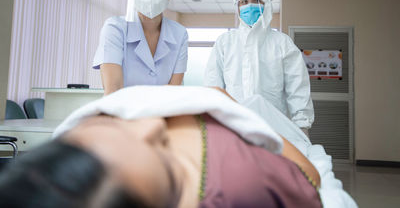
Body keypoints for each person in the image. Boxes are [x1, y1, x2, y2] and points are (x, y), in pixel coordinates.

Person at [0, 86, 321, 208]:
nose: (153, 124)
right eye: (170, 162)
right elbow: (309, 178)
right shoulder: (243, 185)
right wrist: (222, 101)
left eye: (109, 122)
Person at [204, 0, 314, 133]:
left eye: (256, 0)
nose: (249, 5)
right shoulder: (225, 42)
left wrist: (302, 124)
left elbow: (297, 87)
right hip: (233, 124)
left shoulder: (282, 42)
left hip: (274, 125)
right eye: (243, 1)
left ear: (266, 4)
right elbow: (213, 85)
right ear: (237, 7)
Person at [93, 0, 188, 95]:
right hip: (122, 113)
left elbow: (173, 93)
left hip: (163, 113)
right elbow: (113, 92)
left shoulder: (179, 33)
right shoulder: (115, 28)